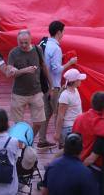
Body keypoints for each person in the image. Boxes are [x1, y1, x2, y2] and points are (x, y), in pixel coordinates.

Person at [7, 29, 52, 142]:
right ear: (17, 41)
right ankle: (21, 143)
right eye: (21, 42)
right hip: (19, 93)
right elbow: (9, 73)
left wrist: (51, 84)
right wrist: (24, 70)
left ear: (31, 40)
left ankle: (28, 139)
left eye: (26, 42)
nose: (23, 45)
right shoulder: (13, 53)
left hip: (36, 92)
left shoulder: (38, 50)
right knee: (18, 125)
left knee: (39, 122)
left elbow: (44, 66)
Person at [40, 20, 78, 148]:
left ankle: (42, 139)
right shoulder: (56, 48)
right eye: (63, 32)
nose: (63, 35)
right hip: (54, 85)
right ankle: (61, 141)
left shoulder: (43, 43)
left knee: (46, 113)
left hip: (44, 85)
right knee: (58, 112)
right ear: (58, 32)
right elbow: (56, 69)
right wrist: (70, 63)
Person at [54, 68, 87, 147]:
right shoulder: (65, 96)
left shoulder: (76, 90)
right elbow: (60, 115)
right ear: (74, 82)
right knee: (68, 151)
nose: (80, 81)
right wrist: (57, 133)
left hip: (76, 126)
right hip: (69, 128)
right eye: (79, 79)